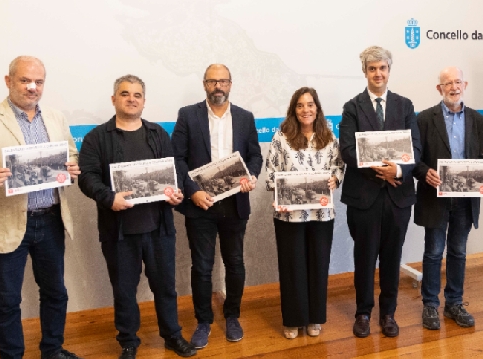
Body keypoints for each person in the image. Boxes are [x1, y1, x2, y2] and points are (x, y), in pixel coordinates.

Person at [0, 56, 82, 359]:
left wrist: (72, 166)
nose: (32, 87)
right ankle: (12, 356)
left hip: (50, 220)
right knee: (7, 299)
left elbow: (71, 153)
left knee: (55, 293)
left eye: (38, 82)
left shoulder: (54, 117)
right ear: (9, 81)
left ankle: (52, 350)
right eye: (25, 80)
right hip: (7, 221)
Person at [77, 75, 196, 359]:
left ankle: (172, 336)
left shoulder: (158, 134)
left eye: (137, 95)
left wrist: (176, 194)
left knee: (166, 286)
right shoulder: (96, 138)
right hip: (118, 231)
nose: (132, 99)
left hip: (159, 228)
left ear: (144, 101)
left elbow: (172, 175)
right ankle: (128, 342)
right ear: (114, 99)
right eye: (125, 93)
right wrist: (109, 198)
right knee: (124, 290)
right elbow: (87, 178)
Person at [171, 64, 263, 349]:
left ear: (231, 84)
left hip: (235, 204)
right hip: (201, 205)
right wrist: (192, 192)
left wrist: (251, 176)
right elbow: (178, 159)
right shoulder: (188, 115)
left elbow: (255, 156)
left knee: (234, 263)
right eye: (213, 81)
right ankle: (203, 321)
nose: (218, 86)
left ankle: (232, 315)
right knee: (202, 266)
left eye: (222, 81)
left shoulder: (245, 118)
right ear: (204, 84)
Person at [339, 46, 421, 338]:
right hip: (364, 196)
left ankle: (388, 313)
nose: (378, 74)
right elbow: (348, 150)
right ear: (365, 72)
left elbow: (416, 148)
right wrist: (379, 170)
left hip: (398, 195)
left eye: (382, 68)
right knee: (364, 256)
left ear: (389, 70)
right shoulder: (352, 107)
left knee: (391, 256)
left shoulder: (405, 105)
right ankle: (363, 312)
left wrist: (397, 171)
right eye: (372, 69)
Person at [413, 66, 483, 330]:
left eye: (458, 82)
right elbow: (414, 160)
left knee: (459, 252)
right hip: (435, 196)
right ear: (439, 89)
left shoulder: (477, 120)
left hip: (465, 199)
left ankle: (454, 303)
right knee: (433, 253)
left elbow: (477, 157)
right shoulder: (424, 119)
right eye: (447, 83)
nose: (454, 87)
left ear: (465, 85)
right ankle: (430, 305)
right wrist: (425, 172)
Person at [264, 87, 344, 339]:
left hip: (321, 215)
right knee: (292, 267)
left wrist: (334, 179)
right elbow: (269, 174)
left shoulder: (329, 137)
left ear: (317, 108)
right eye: (300, 105)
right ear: (293, 109)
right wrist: (282, 189)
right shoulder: (281, 136)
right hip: (289, 216)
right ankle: (293, 319)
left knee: (318, 265)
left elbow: (339, 167)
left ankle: (314, 318)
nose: (305, 110)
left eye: (310, 105)